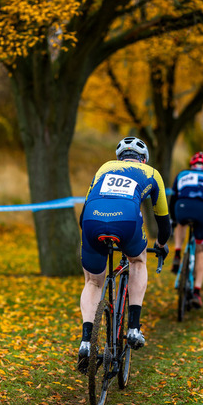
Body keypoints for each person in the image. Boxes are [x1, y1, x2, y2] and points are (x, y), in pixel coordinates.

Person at [78, 137, 171, 373]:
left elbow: (83, 212)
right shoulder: (152, 173)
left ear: (119, 158)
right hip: (127, 220)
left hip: (92, 220)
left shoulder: (104, 168)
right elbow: (163, 222)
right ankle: (133, 329)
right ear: (144, 159)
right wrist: (160, 244)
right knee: (138, 261)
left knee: (93, 282)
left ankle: (86, 342)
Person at [169, 151, 203, 309]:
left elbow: (173, 200)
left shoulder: (182, 174)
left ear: (192, 165)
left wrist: (173, 219)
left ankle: (177, 253)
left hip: (181, 207)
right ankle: (197, 292)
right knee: (201, 251)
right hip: (201, 210)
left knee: (181, 222)